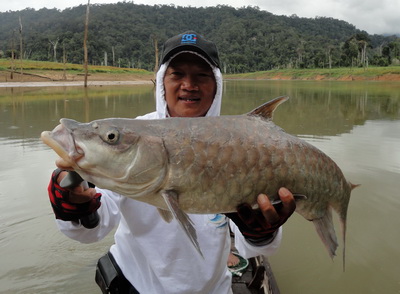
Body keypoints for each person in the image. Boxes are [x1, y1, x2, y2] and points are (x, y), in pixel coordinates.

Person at [48, 31, 296, 294]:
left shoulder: (240, 146)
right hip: (138, 285)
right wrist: (73, 207)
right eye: (177, 74)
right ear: (161, 82)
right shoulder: (129, 139)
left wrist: (261, 233)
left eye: (201, 75)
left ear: (217, 85)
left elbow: (259, 249)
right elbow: (89, 232)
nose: (189, 85)